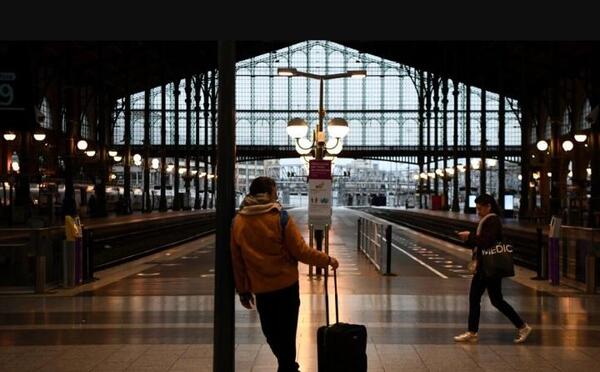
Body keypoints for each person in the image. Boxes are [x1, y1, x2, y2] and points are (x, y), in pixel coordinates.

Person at [231, 176, 339, 372]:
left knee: (271, 333)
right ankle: (288, 367)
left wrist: (243, 290)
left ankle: (287, 366)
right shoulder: (279, 218)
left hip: (261, 289)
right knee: (287, 334)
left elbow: (237, 261)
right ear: (269, 193)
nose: (277, 195)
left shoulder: (238, 222)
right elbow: (301, 251)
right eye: (275, 191)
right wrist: (327, 260)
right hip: (286, 287)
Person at [454, 194, 532, 344]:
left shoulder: (493, 220)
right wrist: (467, 239)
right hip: (485, 267)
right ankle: (472, 332)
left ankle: (522, 326)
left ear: (488, 206)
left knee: (492, 300)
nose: (478, 211)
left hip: (489, 268)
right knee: (487, 299)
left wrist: (469, 236)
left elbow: (487, 242)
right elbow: (481, 243)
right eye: (476, 208)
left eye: (480, 208)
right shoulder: (487, 220)